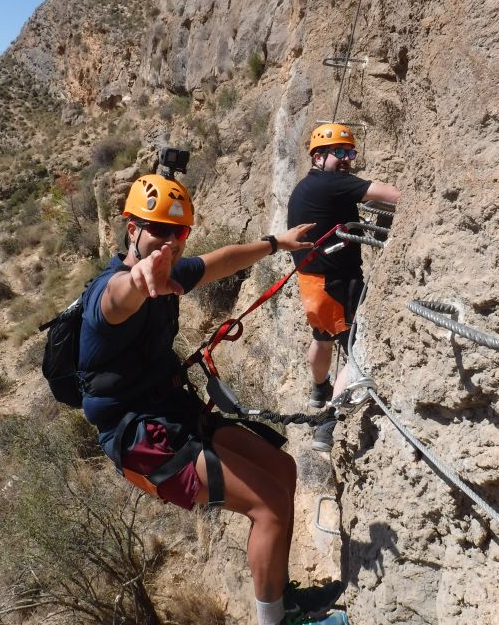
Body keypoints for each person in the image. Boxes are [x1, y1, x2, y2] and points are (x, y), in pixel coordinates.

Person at [79, 168, 347, 625]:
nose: (171, 241)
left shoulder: (168, 272)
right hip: (140, 438)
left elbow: (218, 261)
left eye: (179, 232)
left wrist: (275, 244)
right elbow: (118, 300)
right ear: (132, 229)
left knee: (282, 469)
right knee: (267, 504)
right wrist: (137, 278)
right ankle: (276, 622)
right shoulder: (111, 293)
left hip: (170, 412)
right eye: (159, 230)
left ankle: (282, 598)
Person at [287, 123, 401, 452]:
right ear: (318, 156)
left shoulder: (306, 186)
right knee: (356, 349)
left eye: (350, 153)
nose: (347, 160)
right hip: (337, 285)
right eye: (340, 153)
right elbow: (395, 196)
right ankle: (327, 424)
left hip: (312, 285)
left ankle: (319, 388)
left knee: (322, 337)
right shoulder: (333, 183)